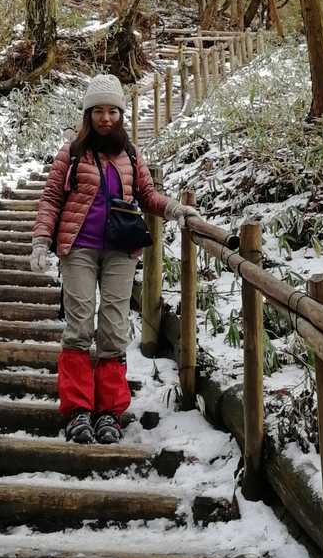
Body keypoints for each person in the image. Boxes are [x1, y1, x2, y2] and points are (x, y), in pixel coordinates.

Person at [31, 73, 198, 445]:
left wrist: (175, 210)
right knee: (79, 325)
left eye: (112, 111)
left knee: (113, 328)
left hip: (121, 250)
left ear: (121, 114)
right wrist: (41, 241)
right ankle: (77, 409)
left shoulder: (131, 154)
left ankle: (109, 410)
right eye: (99, 111)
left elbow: (147, 195)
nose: (106, 118)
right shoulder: (72, 153)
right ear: (88, 114)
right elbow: (51, 199)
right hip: (79, 248)